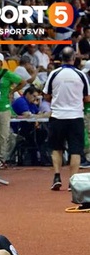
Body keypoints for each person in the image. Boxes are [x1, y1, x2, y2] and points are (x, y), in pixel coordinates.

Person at [43, 47, 90, 191]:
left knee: (56, 148)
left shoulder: (54, 74)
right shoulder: (81, 75)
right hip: (75, 116)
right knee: (75, 150)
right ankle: (73, 181)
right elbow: (87, 97)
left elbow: (46, 95)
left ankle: (57, 176)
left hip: (58, 116)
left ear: (61, 58)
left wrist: (57, 99)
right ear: (74, 57)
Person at [0, 52, 25, 172]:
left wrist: (12, 91)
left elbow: (22, 82)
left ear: (1, 62)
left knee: (3, 136)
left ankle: (2, 159)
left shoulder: (7, 74)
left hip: (4, 108)